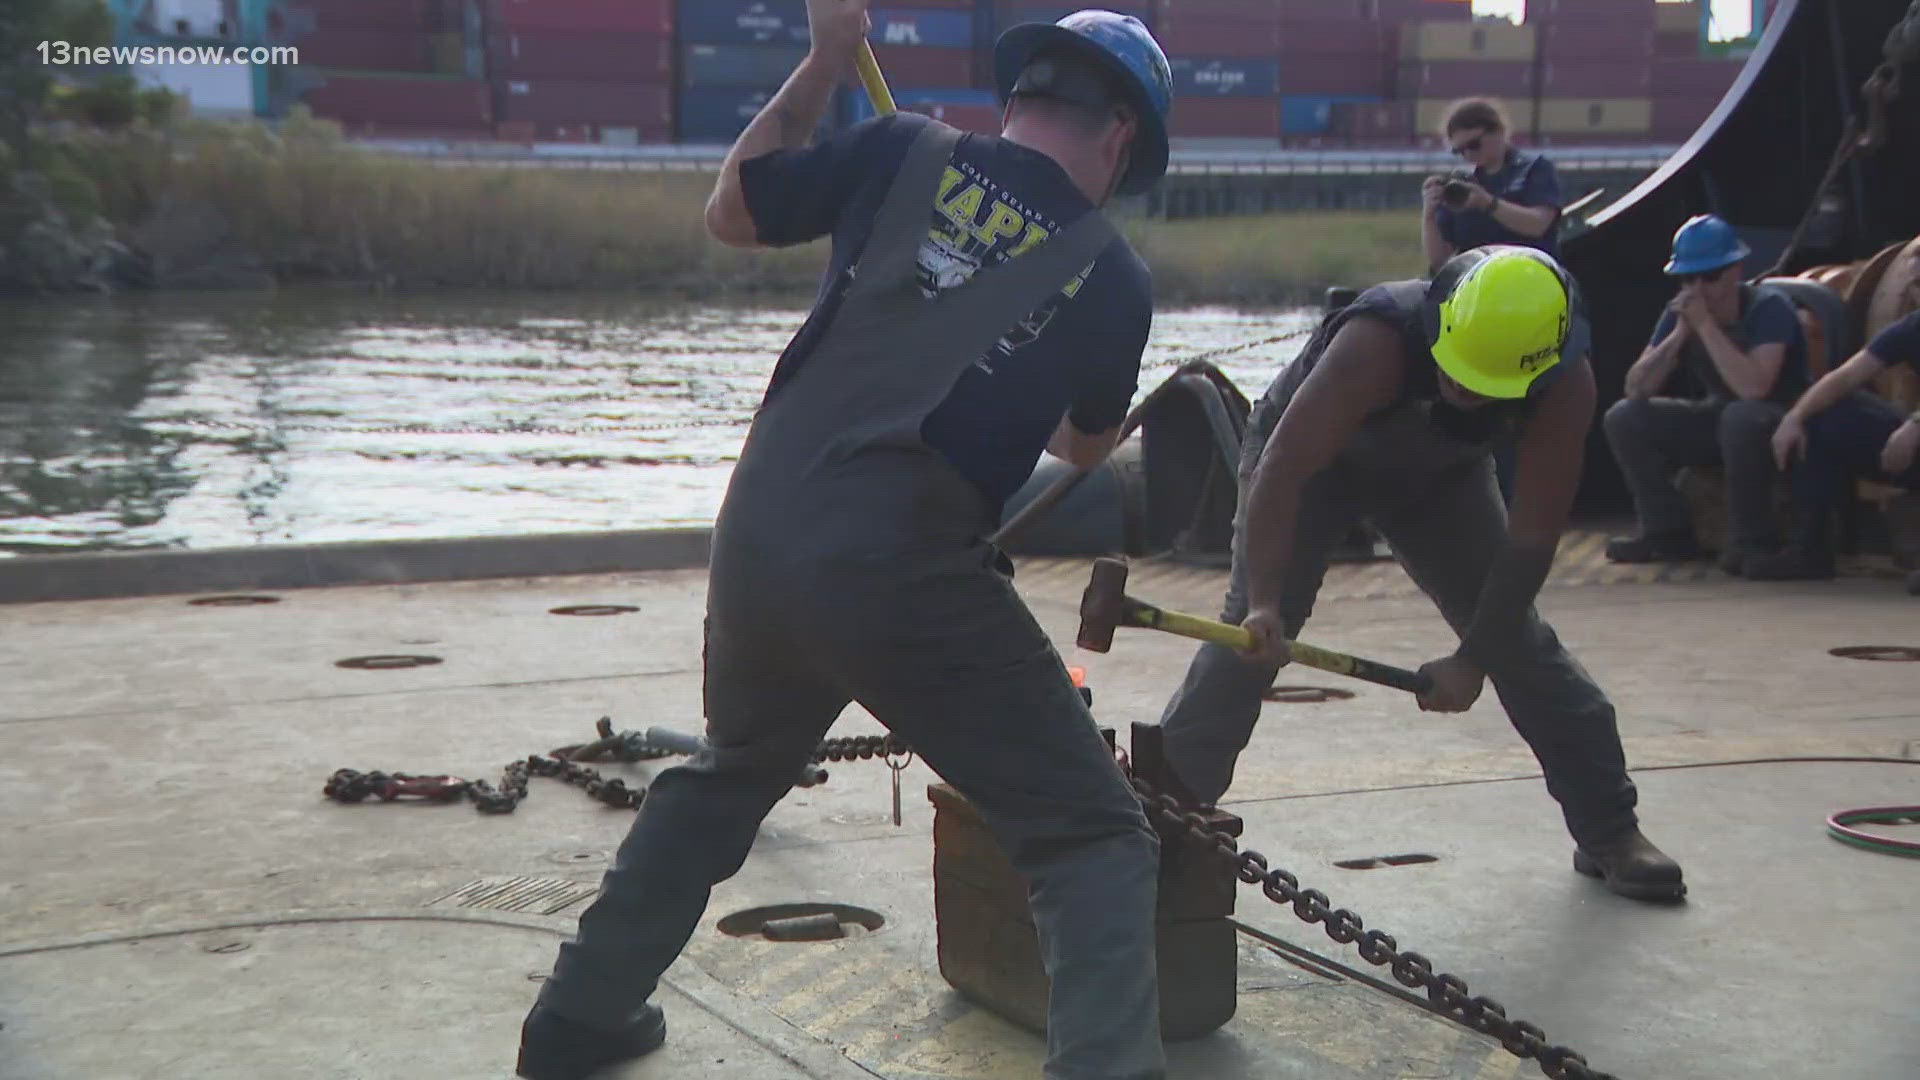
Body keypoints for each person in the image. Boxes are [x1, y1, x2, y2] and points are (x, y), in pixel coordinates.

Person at [514, 5, 1177, 1080]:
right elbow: (1087, 445)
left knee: (731, 772)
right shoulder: (1112, 277)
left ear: (1015, 103)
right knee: (1090, 837)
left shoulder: (899, 146)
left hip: (762, 531)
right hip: (900, 565)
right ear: (1121, 144)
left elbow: (733, 209)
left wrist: (826, 60)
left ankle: (579, 1018)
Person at [1148, 245, 1686, 904]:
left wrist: (1475, 658)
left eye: (1485, 386)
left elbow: (1532, 538)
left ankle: (1610, 829)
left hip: (1442, 478)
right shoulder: (1376, 341)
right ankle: (1158, 819)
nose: (1464, 390)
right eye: (1458, 373)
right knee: (1249, 643)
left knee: (1522, 646)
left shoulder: (1566, 385)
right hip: (1309, 471)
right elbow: (1283, 468)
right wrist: (1264, 602)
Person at [1602, 214, 1809, 574]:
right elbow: (1637, 387)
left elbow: (1754, 388)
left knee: (1740, 417)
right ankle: (1666, 531)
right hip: (1721, 415)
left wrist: (1706, 327)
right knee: (1624, 417)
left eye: (1710, 277)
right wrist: (1680, 335)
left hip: (1779, 419)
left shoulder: (1769, 308)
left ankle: (1753, 540)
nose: (1698, 289)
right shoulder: (1683, 313)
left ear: (1736, 270)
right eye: (1687, 279)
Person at [1754, 309, 1920, 581]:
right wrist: (1796, 417)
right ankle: (1809, 552)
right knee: (1827, 411)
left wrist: (1916, 423)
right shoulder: (1913, 325)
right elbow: (1844, 377)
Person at [1421, 98, 1564, 274]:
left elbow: (1538, 225)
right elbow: (1439, 259)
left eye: (1473, 145)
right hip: (1476, 281)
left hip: (1529, 274)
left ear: (1498, 131)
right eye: (1459, 151)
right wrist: (1429, 215)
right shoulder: (1462, 185)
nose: (1467, 154)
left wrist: (1488, 204)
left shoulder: (1534, 169)